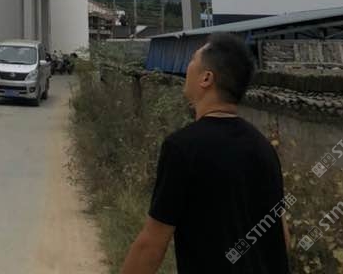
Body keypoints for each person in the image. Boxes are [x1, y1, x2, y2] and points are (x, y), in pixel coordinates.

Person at [119, 33, 290, 273]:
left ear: (206, 78)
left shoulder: (182, 148)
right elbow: (282, 237)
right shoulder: (264, 148)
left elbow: (151, 245)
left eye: (192, 60)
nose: (186, 67)